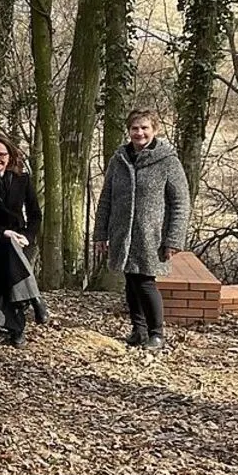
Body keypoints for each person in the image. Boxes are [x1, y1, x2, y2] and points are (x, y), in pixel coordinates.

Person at [93, 108, 191, 350]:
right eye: (135, 128)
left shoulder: (168, 161)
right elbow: (106, 198)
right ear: (129, 131)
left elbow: (180, 202)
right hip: (122, 233)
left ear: (154, 130)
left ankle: (157, 333)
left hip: (152, 236)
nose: (139, 133)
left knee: (146, 282)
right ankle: (138, 330)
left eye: (145, 128)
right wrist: (100, 234)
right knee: (130, 281)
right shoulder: (119, 160)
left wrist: (173, 239)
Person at [0, 134, 45, 347]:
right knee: (9, 256)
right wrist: (4, 233)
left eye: (1, 154)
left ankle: (18, 327)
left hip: (20, 239)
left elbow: (35, 215)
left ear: (10, 156)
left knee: (12, 259)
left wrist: (28, 237)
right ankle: (33, 303)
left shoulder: (23, 180)